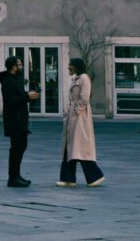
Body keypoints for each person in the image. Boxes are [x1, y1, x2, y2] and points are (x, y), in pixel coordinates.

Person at [57, 58, 105, 187]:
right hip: (73, 116)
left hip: (80, 117)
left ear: (77, 66)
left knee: (79, 147)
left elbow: (85, 98)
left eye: (70, 65)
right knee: (70, 146)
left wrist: (76, 111)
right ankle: (69, 178)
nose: (69, 67)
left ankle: (94, 176)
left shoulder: (84, 78)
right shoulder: (75, 78)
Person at [0, 56, 39, 187]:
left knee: (21, 147)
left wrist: (30, 96)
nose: (21, 66)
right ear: (14, 66)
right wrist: (27, 96)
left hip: (20, 119)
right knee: (16, 149)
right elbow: (11, 101)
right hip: (14, 120)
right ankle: (13, 178)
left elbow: (19, 97)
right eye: (19, 64)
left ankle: (16, 175)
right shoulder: (8, 81)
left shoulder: (16, 79)